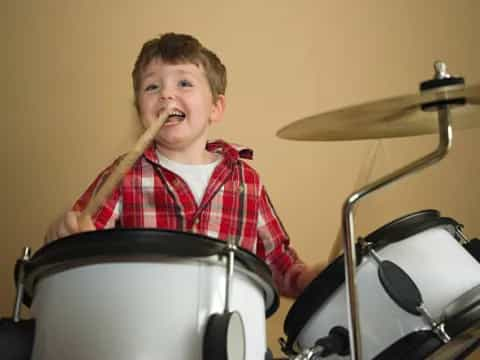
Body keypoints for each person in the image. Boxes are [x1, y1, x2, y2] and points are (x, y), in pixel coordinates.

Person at [44, 32, 324, 298]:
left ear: (216, 107)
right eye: (152, 86)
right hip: (144, 322)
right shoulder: (125, 175)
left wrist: (308, 279)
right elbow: (81, 243)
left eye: (184, 83)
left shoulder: (245, 181)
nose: (166, 95)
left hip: (227, 331)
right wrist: (64, 234)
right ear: (140, 111)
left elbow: (278, 264)